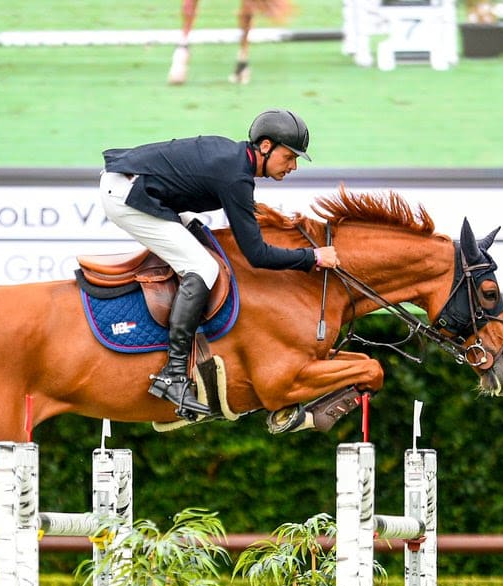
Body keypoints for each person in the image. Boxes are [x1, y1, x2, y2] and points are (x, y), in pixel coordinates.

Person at [100, 108, 340, 417]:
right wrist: (314, 257)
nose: (293, 166)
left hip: (140, 188)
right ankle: (173, 375)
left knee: (206, 247)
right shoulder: (236, 176)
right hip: (126, 195)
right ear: (265, 146)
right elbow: (257, 255)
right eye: (290, 156)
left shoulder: (234, 162)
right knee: (203, 268)